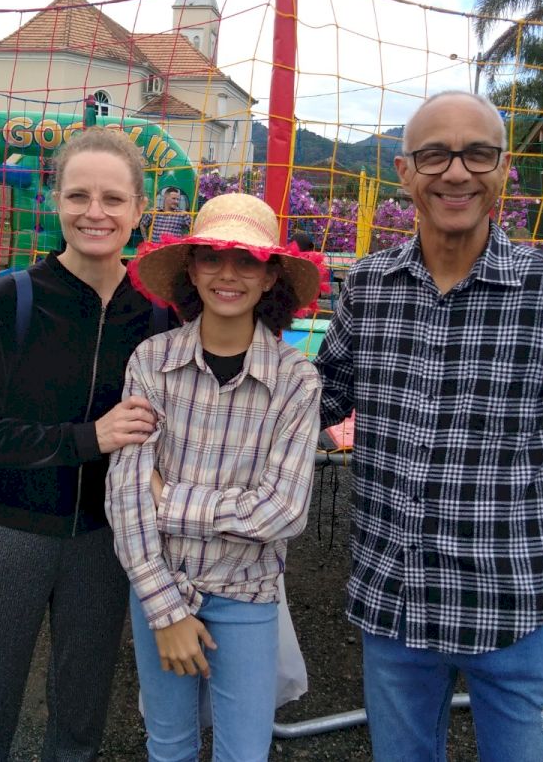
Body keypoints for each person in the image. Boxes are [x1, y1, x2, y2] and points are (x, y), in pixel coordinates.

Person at [315, 91, 543, 761]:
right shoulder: (368, 285)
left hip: (513, 603)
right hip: (394, 598)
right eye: (435, 154)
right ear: (405, 171)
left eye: (477, 154)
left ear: (503, 168)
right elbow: (319, 399)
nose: (456, 172)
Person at [0, 128, 166, 762]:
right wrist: (88, 438)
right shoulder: (10, 300)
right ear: (56, 201)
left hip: (105, 538)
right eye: (78, 196)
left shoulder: (156, 314)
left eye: (113, 199)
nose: (95, 212)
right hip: (9, 531)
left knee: (81, 714)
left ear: (139, 209)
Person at [107, 192, 326, 760]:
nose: (228, 274)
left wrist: (170, 499)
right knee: (169, 744)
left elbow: (284, 511)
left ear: (271, 276)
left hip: (246, 594)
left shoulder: (296, 380)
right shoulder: (151, 361)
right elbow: (126, 495)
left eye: (247, 260)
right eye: (212, 257)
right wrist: (165, 608)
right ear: (191, 268)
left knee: (245, 750)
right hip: (159, 582)